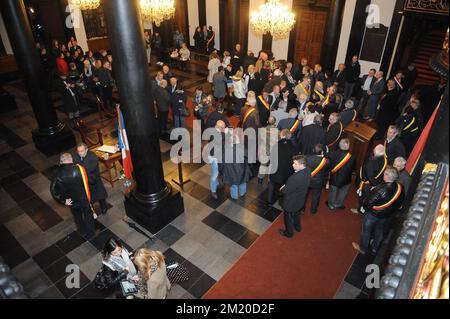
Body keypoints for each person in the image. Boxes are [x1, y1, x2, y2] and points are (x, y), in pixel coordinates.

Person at [352, 167, 404, 255]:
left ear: (387, 176)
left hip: (373, 214)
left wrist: (364, 208)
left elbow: (368, 203)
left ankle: (363, 248)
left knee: (366, 230)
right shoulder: (400, 187)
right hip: (386, 214)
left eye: (385, 173)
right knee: (379, 230)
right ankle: (375, 247)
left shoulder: (380, 189)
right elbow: (400, 202)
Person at [50, 153, 96, 239]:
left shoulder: (56, 174)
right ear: (70, 159)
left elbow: (53, 190)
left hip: (71, 200)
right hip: (83, 198)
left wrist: (63, 201)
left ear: (61, 161)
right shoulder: (79, 169)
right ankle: (91, 233)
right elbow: (91, 180)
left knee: (77, 216)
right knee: (88, 215)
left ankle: (82, 231)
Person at [279, 155, 311, 238]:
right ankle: (297, 227)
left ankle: (289, 233)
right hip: (300, 199)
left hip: (291, 202)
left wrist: (282, 188)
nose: (292, 165)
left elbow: (285, 190)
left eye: (295, 164)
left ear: (301, 165)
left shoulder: (295, 178)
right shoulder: (307, 170)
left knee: (288, 218)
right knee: (297, 214)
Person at [73, 143, 109, 215]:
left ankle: (103, 206)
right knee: (88, 197)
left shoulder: (92, 156)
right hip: (83, 180)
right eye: (78, 151)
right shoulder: (75, 156)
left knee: (100, 194)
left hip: (93, 178)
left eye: (82, 151)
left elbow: (88, 169)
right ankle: (91, 210)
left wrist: (79, 170)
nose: (80, 153)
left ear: (86, 150)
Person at [352, 145, 388, 214]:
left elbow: (369, 175)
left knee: (363, 197)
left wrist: (373, 184)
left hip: (367, 184)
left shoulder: (371, 162)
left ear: (374, 151)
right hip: (377, 181)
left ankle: (360, 210)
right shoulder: (384, 159)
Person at [327, 139, 356, 210]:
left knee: (333, 191)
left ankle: (331, 205)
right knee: (343, 192)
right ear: (348, 146)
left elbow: (327, 165)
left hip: (334, 177)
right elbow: (353, 169)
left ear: (339, 145)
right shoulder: (352, 157)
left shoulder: (331, 153)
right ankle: (338, 204)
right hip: (346, 178)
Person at [222, 132, 251, 200]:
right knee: (243, 183)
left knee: (233, 185)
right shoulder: (244, 150)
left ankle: (234, 197)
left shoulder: (226, 151)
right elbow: (250, 162)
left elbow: (222, 163)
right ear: (238, 141)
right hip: (243, 172)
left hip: (231, 173)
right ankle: (242, 194)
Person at [306, 144, 330, 215]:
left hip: (307, 180)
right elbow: (326, 172)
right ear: (322, 152)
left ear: (313, 150)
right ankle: (313, 211)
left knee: (304, 195)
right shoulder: (327, 161)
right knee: (316, 196)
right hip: (318, 182)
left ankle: (302, 209)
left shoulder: (306, 158)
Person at [205, 120, 226, 199]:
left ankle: (217, 183)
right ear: (219, 127)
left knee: (217, 172)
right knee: (214, 174)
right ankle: (213, 190)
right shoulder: (219, 135)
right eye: (223, 128)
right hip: (215, 157)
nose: (224, 129)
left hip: (215, 155)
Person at [258, 116, 278, 184]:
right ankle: (270, 179)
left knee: (263, 165)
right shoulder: (277, 131)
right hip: (273, 151)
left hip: (264, 150)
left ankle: (260, 178)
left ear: (267, 121)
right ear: (274, 122)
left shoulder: (262, 130)